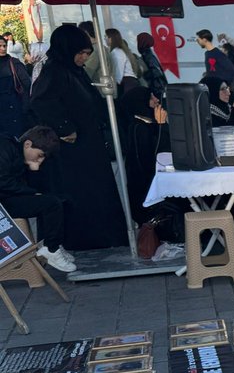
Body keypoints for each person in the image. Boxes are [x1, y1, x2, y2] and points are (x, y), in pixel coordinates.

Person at [30, 24, 127, 251]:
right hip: (71, 151)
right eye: (81, 53)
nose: (84, 58)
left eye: (86, 54)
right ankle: (84, 242)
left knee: (95, 193)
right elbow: (41, 102)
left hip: (88, 145)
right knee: (81, 195)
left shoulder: (73, 70)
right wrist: (65, 128)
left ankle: (103, 238)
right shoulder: (54, 70)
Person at [0, 125, 73, 271]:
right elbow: (3, 181)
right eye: (39, 155)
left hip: (7, 197)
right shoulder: (4, 148)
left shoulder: (16, 151)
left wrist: (32, 172)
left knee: (56, 200)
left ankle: (51, 244)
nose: (39, 161)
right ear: (27, 144)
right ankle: (51, 249)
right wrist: (30, 191)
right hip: (3, 204)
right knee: (51, 204)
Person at [116, 87, 169, 223]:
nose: (156, 101)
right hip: (148, 198)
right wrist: (162, 126)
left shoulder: (146, 125)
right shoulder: (140, 129)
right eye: (151, 98)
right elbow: (157, 158)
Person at [0, 35, 31, 139]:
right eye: (0, 46)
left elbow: (26, 83)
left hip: (16, 105)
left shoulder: (14, 62)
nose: (3, 49)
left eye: (4, 46)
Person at [104, 30, 143, 98]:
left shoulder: (117, 52)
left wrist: (115, 85)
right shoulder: (120, 51)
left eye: (105, 37)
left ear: (110, 38)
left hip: (126, 83)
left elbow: (118, 71)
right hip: (130, 82)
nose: (104, 39)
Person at [135, 33, 168, 100]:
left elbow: (155, 72)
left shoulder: (147, 55)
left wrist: (145, 76)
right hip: (157, 87)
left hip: (155, 88)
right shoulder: (149, 53)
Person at [78, 21, 110, 86]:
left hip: (100, 91)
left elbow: (86, 73)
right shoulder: (102, 48)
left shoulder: (95, 51)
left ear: (86, 33)